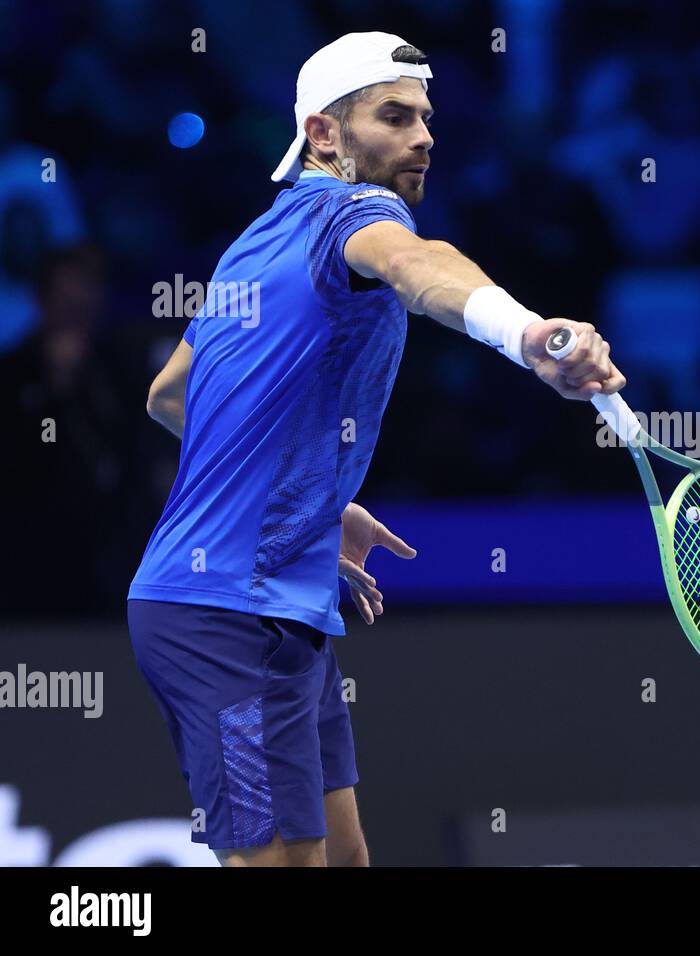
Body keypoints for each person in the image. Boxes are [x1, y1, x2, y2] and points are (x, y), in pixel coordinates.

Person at [126, 32, 624, 868]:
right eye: (395, 117)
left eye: (426, 116)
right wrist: (529, 334)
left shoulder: (255, 243)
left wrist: (318, 499)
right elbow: (419, 266)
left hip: (278, 602)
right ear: (324, 135)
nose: (424, 135)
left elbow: (171, 395)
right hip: (223, 616)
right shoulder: (352, 213)